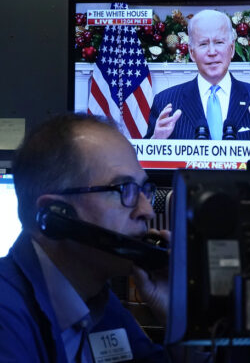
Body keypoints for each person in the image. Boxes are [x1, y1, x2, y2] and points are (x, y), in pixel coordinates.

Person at [0, 114, 169, 362]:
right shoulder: (6, 314)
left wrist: (177, 316)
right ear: (57, 216)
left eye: (144, 190)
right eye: (124, 190)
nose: (147, 211)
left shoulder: (96, 299)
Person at [145, 9, 250, 141]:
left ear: (231, 49)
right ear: (192, 53)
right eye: (203, 44)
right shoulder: (165, 103)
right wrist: (157, 141)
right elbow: (146, 163)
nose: (212, 52)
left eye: (219, 42)